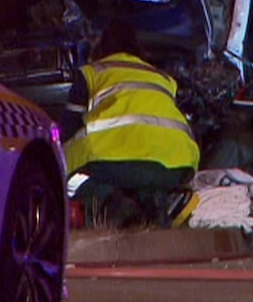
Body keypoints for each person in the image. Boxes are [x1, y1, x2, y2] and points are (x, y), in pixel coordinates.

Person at [62, 20, 200, 227]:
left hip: (113, 164)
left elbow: (68, 131)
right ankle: (153, 200)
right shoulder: (164, 78)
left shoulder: (90, 73)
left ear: (102, 47)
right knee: (145, 176)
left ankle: (111, 200)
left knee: (65, 178)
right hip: (178, 166)